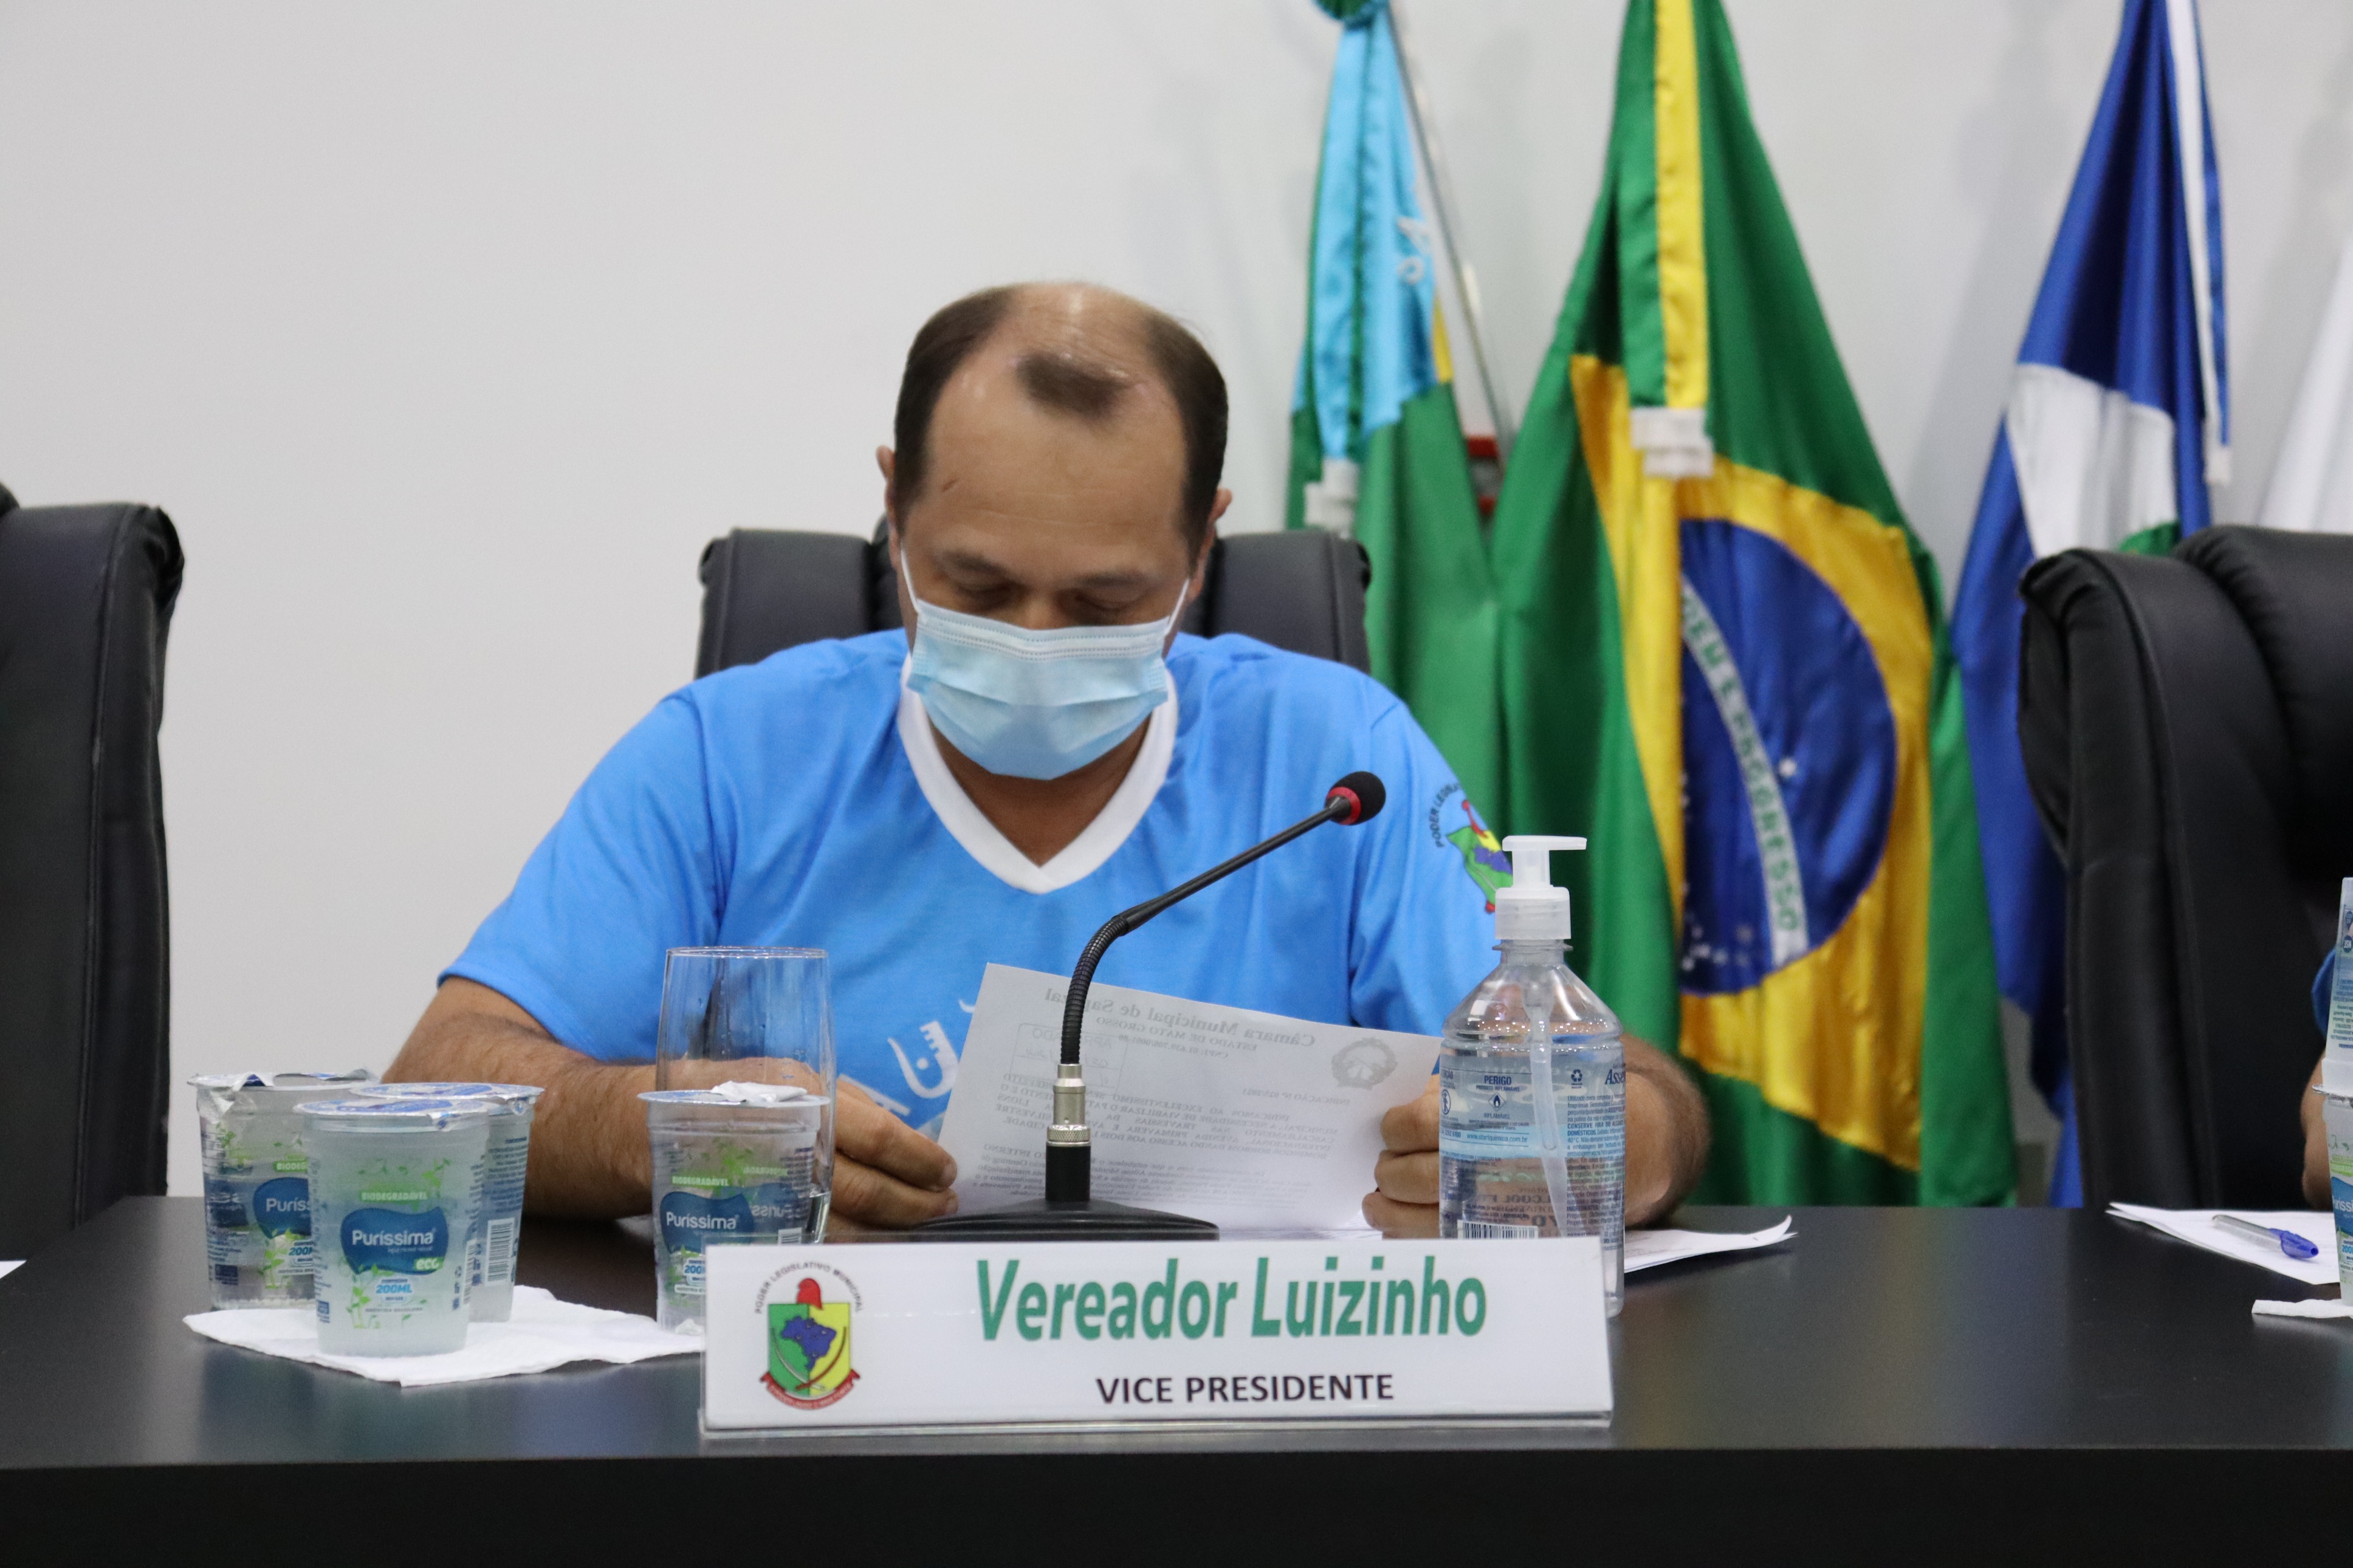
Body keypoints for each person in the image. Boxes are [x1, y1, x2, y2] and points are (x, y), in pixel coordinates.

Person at [386, 281, 1711, 1233]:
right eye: (974, 584)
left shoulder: (1341, 762)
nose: (1029, 638)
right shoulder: (725, 754)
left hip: (1253, 1422)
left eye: (1100, 601)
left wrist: (1605, 1147)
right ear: (892, 503)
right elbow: (440, 1076)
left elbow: (1627, 1087)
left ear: (1202, 547)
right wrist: (671, 1124)